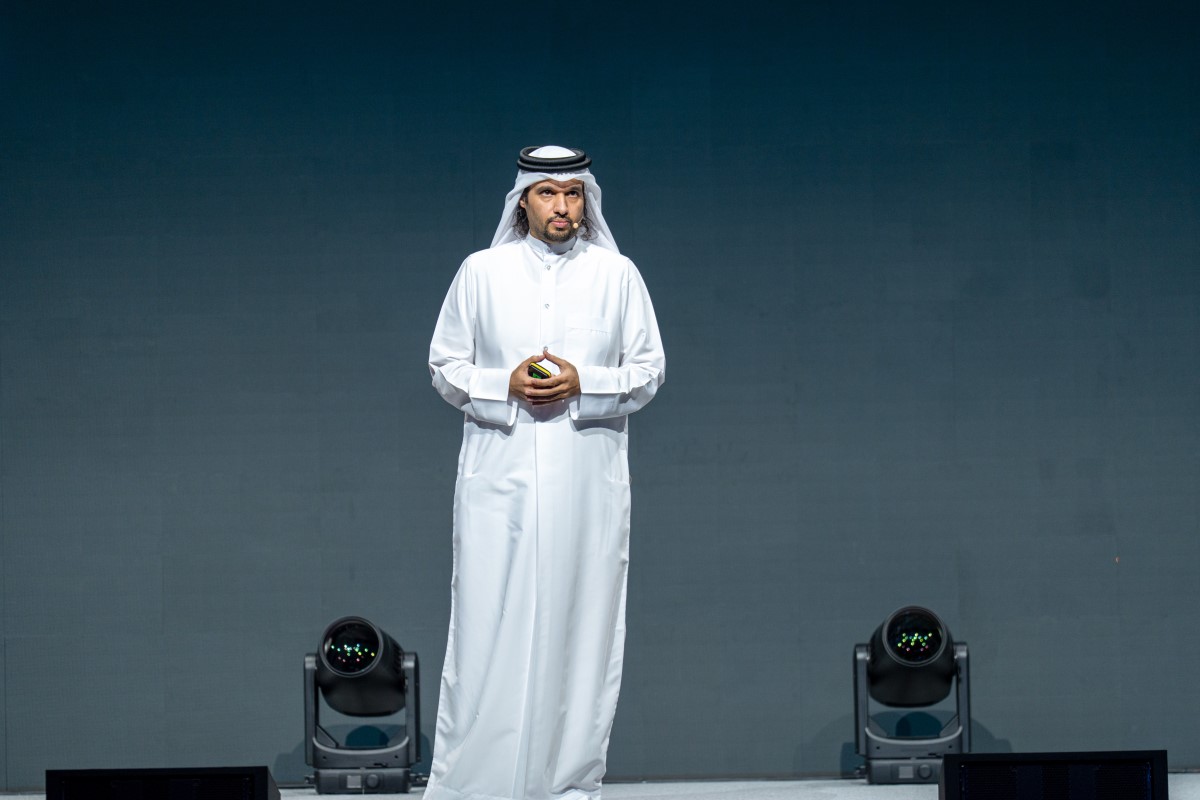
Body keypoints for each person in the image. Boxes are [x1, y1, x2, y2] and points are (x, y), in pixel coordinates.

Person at [426, 145, 666, 800]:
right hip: (499, 482)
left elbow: (649, 371)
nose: (562, 207)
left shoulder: (617, 275)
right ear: (522, 201)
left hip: (587, 484)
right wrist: (501, 384)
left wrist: (585, 381)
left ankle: (566, 786)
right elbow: (445, 365)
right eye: (548, 193)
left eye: (573, 193)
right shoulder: (481, 273)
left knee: (581, 631)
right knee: (488, 628)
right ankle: (475, 788)